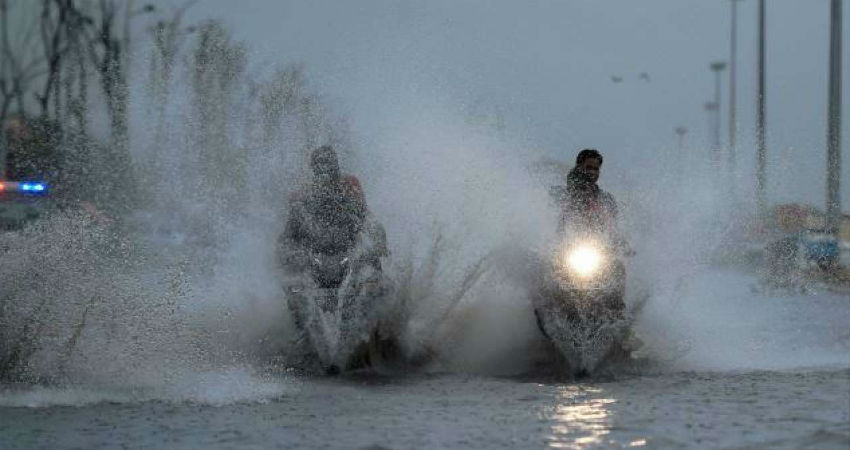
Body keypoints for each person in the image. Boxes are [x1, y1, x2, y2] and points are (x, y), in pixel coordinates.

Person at [279, 145, 387, 278]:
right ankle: (292, 289)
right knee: (292, 264)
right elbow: (292, 222)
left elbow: (363, 211)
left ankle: (377, 284)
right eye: (319, 164)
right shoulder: (304, 191)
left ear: (335, 165)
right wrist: (286, 251)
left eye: (327, 163)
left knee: (370, 265)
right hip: (316, 245)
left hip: (348, 242)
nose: (323, 168)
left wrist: (378, 243)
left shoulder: (349, 184)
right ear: (314, 168)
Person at [550, 148, 618, 235]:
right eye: (588, 168)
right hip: (567, 240)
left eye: (596, 169)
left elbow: (613, 227)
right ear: (579, 167)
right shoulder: (562, 194)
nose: (592, 172)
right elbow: (552, 221)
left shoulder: (606, 199)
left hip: (597, 242)